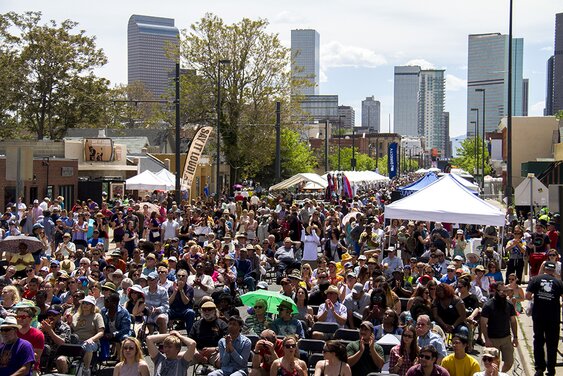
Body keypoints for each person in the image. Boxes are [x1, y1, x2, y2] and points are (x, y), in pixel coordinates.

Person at [525, 260, 563, 376]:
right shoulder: (559, 282)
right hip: (553, 317)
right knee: (552, 342)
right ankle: (551, 369)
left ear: (545, 268)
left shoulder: (535, 279)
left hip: (539, 316)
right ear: (554, 270)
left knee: (538, 341)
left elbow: (528, 295)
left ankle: (539, 368)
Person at [70, 295, 105, 376]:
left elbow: (101, 332)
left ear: (92, 306)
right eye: (84, 303)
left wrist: (91, 339)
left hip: (92, 342)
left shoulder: (97, 316)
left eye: (88, 303)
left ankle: (86, 370)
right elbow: (72, 330)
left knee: (88, 345)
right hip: (76, 341)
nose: (85, 305)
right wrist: (69, 323)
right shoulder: (76, 315)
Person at [189, 301, 228, 368]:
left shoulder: (222, 324)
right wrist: (196, 353)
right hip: (198, 353)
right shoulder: (196, 325)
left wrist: (215, 349)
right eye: (204, 310)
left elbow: (228, 342)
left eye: (209, 309)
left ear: (215, 311)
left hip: (215, 352)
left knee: (223, 362)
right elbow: (190, 341)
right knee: (179, 359)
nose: (206, 312)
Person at [40, 304, 72, 373]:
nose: (51, 317)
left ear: (60, 315)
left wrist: (50, 331)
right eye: (49, 314)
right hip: (45, 354)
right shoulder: (44, 325)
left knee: (61, 360)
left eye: (54, 315)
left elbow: (62, 343)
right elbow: (34, 341)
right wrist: (41, 331)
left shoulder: (65, 327)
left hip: (61, 353)